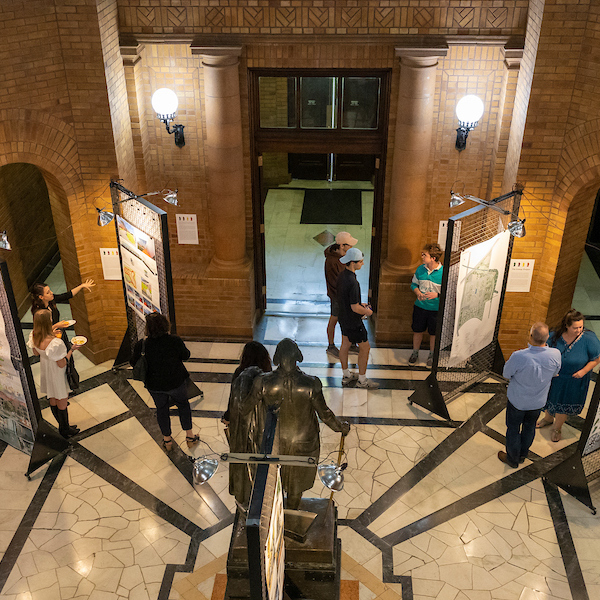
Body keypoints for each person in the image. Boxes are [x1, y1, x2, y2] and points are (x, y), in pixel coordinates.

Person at [246, 338, 350, 509]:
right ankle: (291, 514)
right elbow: (325, 415)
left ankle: (277, 516)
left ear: (278, 358)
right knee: (296, 487)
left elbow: (246, 408)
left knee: (273, 480)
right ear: (297, 357)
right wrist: (341, 427)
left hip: (274, 442)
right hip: (303, 443)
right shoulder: (311, 383)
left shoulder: (263, 382)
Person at [130, 312, 199, 451]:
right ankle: (190, 436)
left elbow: (133, 362)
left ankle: (167, 441)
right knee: (183, 406)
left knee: (161, 410)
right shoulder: (174, 340)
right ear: (165, 325)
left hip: (154, 385)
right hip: (176, 382)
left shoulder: (142, 345)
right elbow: (186, 356)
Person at [498, 322, 561, 468]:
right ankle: (522, 455)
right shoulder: (555, 354)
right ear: (547, 338)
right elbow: (555, 372)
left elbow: (506, 373)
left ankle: (512, 459)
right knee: (529, 427)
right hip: (538, 402)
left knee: (513, 429)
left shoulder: (519, 356)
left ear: (531, 336)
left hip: (517, 401)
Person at [536, 309, 600, 442]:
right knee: (549, 399)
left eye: (581, 327)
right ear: (566, 325)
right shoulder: (554, 335)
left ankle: (557, 428)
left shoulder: (589, 338)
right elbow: (543, 351)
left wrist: (583, 371)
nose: (579, 330)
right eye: (575, 328)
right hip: (554, 377)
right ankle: (548, 418)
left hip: (573, 380)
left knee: (563, 405)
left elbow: (596, 358)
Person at [223, 341, 272, 508]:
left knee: (241, 460)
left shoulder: (239, 373)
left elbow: (233, 400)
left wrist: (228, 417)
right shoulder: (267, 375)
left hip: (241, 428)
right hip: (261, 427)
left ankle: (243, 496)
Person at [31, 278, 95, 390]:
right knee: (60, 363)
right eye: (48, 292)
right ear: (41, 297)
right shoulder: (39, 312)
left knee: (68, 360)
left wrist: (81, 286)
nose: (51, 293)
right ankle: (61, 389)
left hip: (60, 335)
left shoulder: (51, 301)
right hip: (50, 339)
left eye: (50, 291)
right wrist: (56, 326)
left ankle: (69, 385)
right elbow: (41, 331)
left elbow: (67, 295)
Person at [28, 310, 81, 437]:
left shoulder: (34, 335)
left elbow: (36, 353)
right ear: (48, 322)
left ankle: (63, 426)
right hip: (56, 372)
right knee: (62, 399)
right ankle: (64, 429)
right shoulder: (56, 343)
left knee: (52, 397)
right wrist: (72, 350)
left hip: (45, 368)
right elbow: (61, 363)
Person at [337, 247, 379, 389]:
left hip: (343, 318)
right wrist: (367, 312)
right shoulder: (354, 283)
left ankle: (346, 375)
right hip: (354, 322)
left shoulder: (342, 276)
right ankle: (362, 380)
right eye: (360, 262)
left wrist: (360, 304)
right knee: (365, 348)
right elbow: (354, 308)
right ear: (353, 262)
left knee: (345, 345)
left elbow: (347, 301)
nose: (362, 264)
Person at [409, 243, 443, 367]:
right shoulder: (420, 269)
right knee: (417, 331)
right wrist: (417, 292)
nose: (422, 257)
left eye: (425, 255)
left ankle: (431, 355)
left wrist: (437, 295)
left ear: (433, 258)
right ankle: (415, 353)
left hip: (435, 310)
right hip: (420, 307)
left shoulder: (443, 272)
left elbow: (448, 291)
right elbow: (413, 285)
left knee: (433, 333)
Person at [324, 231, 358, 359]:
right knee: (334, 319)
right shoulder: (332, 261)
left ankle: (352, 344)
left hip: (345, 295)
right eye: (349, 245)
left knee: (350, 318)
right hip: (338, 297)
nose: (351, 247)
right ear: (342, 245)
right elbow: (335, 283)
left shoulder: (343, 256)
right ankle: (331, 346)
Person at [222, 340, 272, 424]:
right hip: (263, 418)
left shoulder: (240, 373)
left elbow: (233, 398)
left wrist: (227, 417)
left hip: (243, 419)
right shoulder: (268, 373)